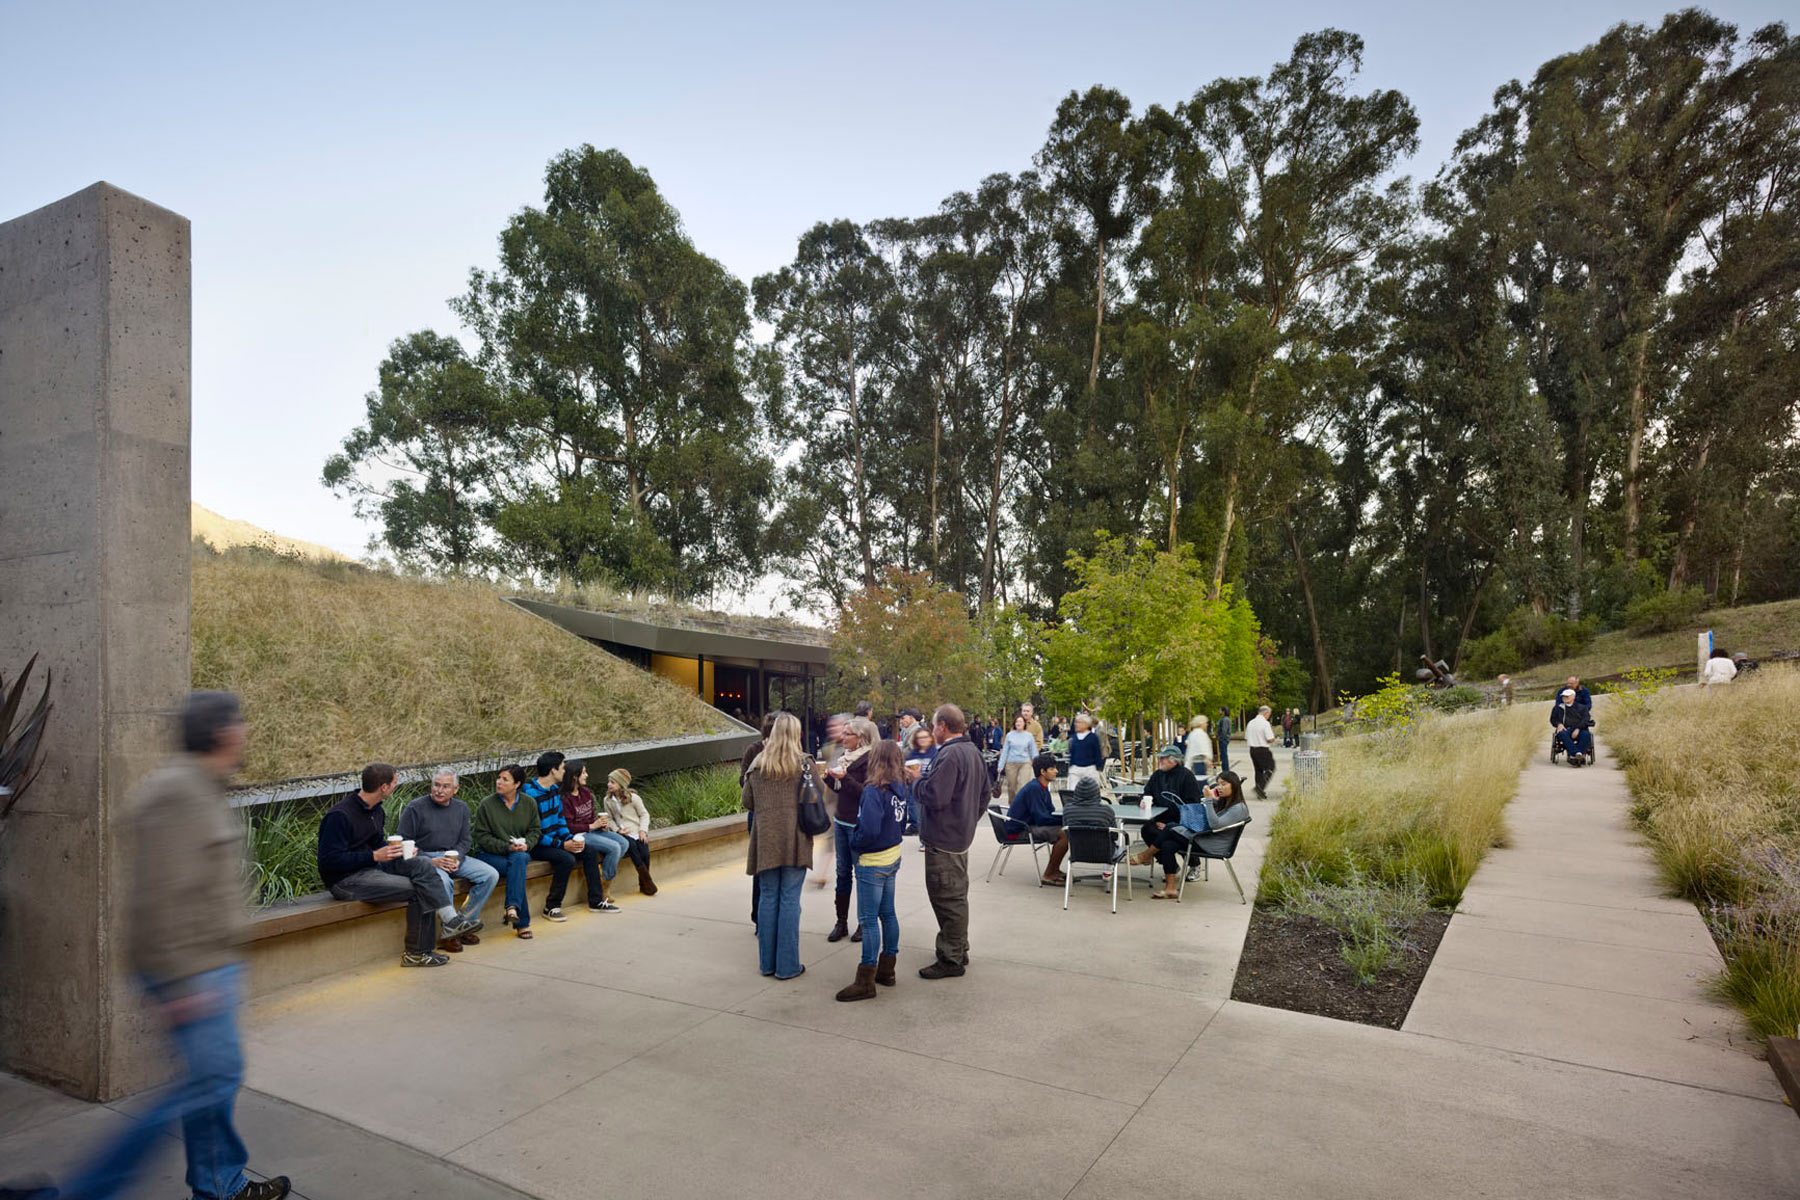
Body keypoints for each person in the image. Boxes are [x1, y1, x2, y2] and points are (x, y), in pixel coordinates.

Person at [11, 693, 292, 1200]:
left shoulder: (198, 787)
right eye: (242, 724)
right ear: (223, 732)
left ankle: (221, 1185)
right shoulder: (176, 793)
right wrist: (182, 980)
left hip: (210, 966)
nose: (247, 732)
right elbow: (157, 898)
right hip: (194, 971)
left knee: (213, 1085)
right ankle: (83, 1193)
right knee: (203, 1085)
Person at [317, 763, 476, 966]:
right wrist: (374, 856)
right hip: (346, 880)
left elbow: (377, 845)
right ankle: (417, 953)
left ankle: (450, 920)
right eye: (394, 782)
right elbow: (329, 861)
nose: (395, 786)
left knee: (422, 864)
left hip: (373, 869)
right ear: (383, 787)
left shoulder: (376, 811)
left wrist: (399, 851)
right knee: (419, 889)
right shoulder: (339, 816)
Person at [909, 703, 987, 979]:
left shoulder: (951, 755)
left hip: (945, 840)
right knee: (954, 896)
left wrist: (917, 780)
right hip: (957, 837)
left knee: (948, 899)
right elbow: (985, 796)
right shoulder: (972, 752)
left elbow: (936, 796)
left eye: (933, 725)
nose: (931, 730)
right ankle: (957, 947)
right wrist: (966, 822)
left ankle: (951, 958)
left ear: (943, 726)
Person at [836, 740, 910, 1002]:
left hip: (872, 861)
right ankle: (887, 969)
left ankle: (866, 979)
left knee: (868, 920)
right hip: (892, 856)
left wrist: (854, 842)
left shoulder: (873, 791)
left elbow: (868, 830)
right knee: (888, 913)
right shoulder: (900, 788)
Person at [742, 711, 813, 979]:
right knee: (790, 899)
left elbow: (747, 802)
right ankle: (787, 965)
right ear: (795, 734)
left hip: (765, 840)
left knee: (768, 897)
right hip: (795, 839)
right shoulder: (804, 763)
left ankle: (767, 965)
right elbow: (816, 797)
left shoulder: (757, 765)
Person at [397, 768, 498, 953]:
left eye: (445, 786)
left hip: (453, 856)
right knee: (443, 881)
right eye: (436, 785)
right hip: (426, 859)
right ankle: (450, 931)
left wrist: (457, 858)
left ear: (456, 789)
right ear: (431, 785)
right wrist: (431, 861)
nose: (439, 790)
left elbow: (465, 840)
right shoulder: (415, 808)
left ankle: (464, 923)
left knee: (490, 874)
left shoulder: (461, 808)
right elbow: (405, 843)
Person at [523, 751, 610, 921]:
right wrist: (563, 845)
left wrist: (570, 838)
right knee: (566, 859)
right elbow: (534, 834)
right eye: (562, 768)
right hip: (537, 845)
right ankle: (552, 906)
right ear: (553, 771)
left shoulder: (555, 790)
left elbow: (561, 820)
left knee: (588, 850)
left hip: (555, 840)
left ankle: (596, 901)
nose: (565, 771)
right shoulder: (531, 796)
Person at [823, 717, 877, 942]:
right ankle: (841, 922)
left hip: (859, 824)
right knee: (842, 874)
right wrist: (828, 778)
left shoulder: (872, 759)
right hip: (841, 822)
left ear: (861, 738)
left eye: (848, 734)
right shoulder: (843, 756)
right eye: (843, 733)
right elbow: (840, 790)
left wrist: (844, 779)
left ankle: (865, 923)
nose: (842, 737)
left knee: (863, 876)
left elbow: (867, 794)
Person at [1129, 746, 1208, 899]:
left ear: (1174, 760)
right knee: (1147, 830)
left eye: (1163, 758)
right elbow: (1146, 792)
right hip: (1160, 819)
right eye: (1160, 757)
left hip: (1183, 822)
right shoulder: (1157, 775)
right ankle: (1171, 866)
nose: (1159, 760)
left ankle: (1194, 864)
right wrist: (1143, 802)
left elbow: (1192, 805)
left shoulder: (1186, 776)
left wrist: (1171, 825)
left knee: (1170, 835)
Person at [471, 765, 540, 938]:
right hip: (490, 855)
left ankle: (512, 909)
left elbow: (535, 830)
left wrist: (527, 844)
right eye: (498, 778)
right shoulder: (487, 804)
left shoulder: (528, 803)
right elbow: (481, 837)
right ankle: (520, 920)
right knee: (518, 866)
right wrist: (506, 847)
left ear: (516, 784)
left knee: (519, 859)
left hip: (517, 854)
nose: (499, 782)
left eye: (504, 779)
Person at [559, 760, 627, 911]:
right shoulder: (564, 798)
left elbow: (590, 817)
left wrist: (600, 823)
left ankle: (604, 880)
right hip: (578, 834)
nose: (587, 775)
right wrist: (591, 826)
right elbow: (568, 826)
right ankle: (605, 888)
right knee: (614, 847)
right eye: (583, 772)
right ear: (575, 776)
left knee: (623, 843)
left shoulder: (586, 792)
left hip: (592, 830)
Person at [1004, 752, 1071, 886]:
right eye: (1052, 769)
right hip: (1019, 830)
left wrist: (1066, 818)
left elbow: (1050, 812)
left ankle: (1055, 870)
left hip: (1029, 824)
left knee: (1066, 829)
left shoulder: (1042, 787)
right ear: (1043, 771)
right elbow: (1041, 819)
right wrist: (1064, 820)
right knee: (1065, 835)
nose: (1056, 771)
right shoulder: (1034, 789)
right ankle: (1048, 875)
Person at [602, 768, 657, 896]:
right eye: (608, 782)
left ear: (621, 784)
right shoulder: (607, 800)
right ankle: (648, 882)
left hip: (637, 831)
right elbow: (609, 819)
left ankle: (644, 884)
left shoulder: (634, 798)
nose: (609, 784)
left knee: (645, 853)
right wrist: (617, 830)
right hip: (622, 833)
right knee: (632, 848)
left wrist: (643, 831)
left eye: (612, 782)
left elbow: (644, 815)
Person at [903, 724, 937, 836]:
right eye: (920, 738)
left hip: (931, 789)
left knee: (931, 815)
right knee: (919, 815)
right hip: (916, 789)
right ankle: (923, 839)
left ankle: (930, 837)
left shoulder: (935, 753)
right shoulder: (913, 754)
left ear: (930, 738)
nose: (922, 740)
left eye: (925, 737)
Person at [998, 714, 1038, 803]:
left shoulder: (1029, 736)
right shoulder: (1009, 735)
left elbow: (1034, 751)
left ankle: (1021, 807)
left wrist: (1037, 765)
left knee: (1022, 787)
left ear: (1024, 723)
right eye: (1016, 721)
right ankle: (1012, 805)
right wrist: (1000, 765)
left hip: (1025, 763)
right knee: (1012, 787)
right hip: (1011, 763)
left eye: (1020, 721)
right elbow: (1005, 751)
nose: (1018, 723)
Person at [1551, 689, 1594, 766]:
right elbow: (1553, 719)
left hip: (1580, 728)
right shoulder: (1558, 708)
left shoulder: (1582, 708)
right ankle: (1576, 754)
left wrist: (1578, 728)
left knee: (1586, 735)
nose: (1565, 698)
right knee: (1562, 734)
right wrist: (1559, 724)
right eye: (1564, 696)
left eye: (1567, 696)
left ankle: (1575, 755)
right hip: (1565, 729)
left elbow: (1586, 719)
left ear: (1573, 697)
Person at [1067, 712, 1105, 791]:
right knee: (1073, 790)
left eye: (1079, 722)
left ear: (1086, 724)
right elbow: (1072, 753)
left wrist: (1098, 767)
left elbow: (1097, 753)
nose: (1076, 724)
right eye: (1076, 722)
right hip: (1076, 769)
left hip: (1090, 769)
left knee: (1091, 791)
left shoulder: (1093, 737)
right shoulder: (1074, 738)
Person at [1245, 706, 1277, 799]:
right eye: (1269, 715)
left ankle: (1260, 790)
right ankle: (1260, 787)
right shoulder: (1265, 723)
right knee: (1270, 767)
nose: (1268, 717)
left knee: (1258, 770)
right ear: (1265, 713)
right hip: (1263, 749)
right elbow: (1269, 738)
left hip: (1252, 749)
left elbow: (1246, 737)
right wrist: (1273, 739)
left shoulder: (1250, 723)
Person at [1183, 714, 1212, 779]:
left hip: (1196, 762)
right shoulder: (1200, 734)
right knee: (1201, 781)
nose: (1207, 725)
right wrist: (1208, 759)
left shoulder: (1194, 733)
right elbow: (1202, 748)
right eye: (1205, 723)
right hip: (1199, 762)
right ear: (1201, 723)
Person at [1215, 707, 1234, 774]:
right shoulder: (1223, 719)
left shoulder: (1225, 719)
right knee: (1223, 755)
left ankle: (1225, 770)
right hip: (1223, 739)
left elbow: (1224, 731)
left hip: (1223, 740)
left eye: (1220, 710)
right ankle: (1225, 770)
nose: (1219, 711)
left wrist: (1219, 737)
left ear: (1223, 711)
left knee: (1224, 755)